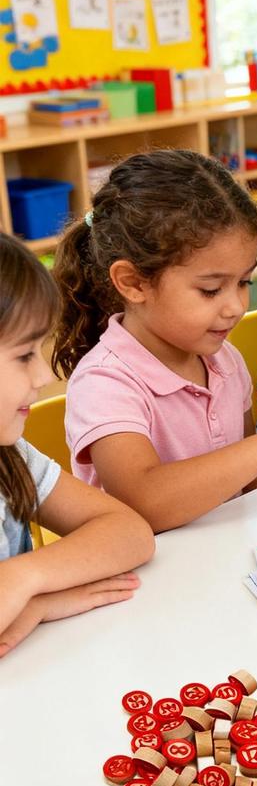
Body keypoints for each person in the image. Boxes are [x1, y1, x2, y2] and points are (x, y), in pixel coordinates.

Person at [51, 150, 257, 533]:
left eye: (244, 282)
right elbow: (145, 503)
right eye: (211, 290)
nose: (236, 307)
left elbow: (247, 480)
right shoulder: (106, 383)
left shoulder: (224, 360)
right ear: (133, 282)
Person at [0, 234, 154, 657]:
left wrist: (26, 582)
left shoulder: (10, 457)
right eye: (24, 355)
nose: (43, 376)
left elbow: (131, 533)